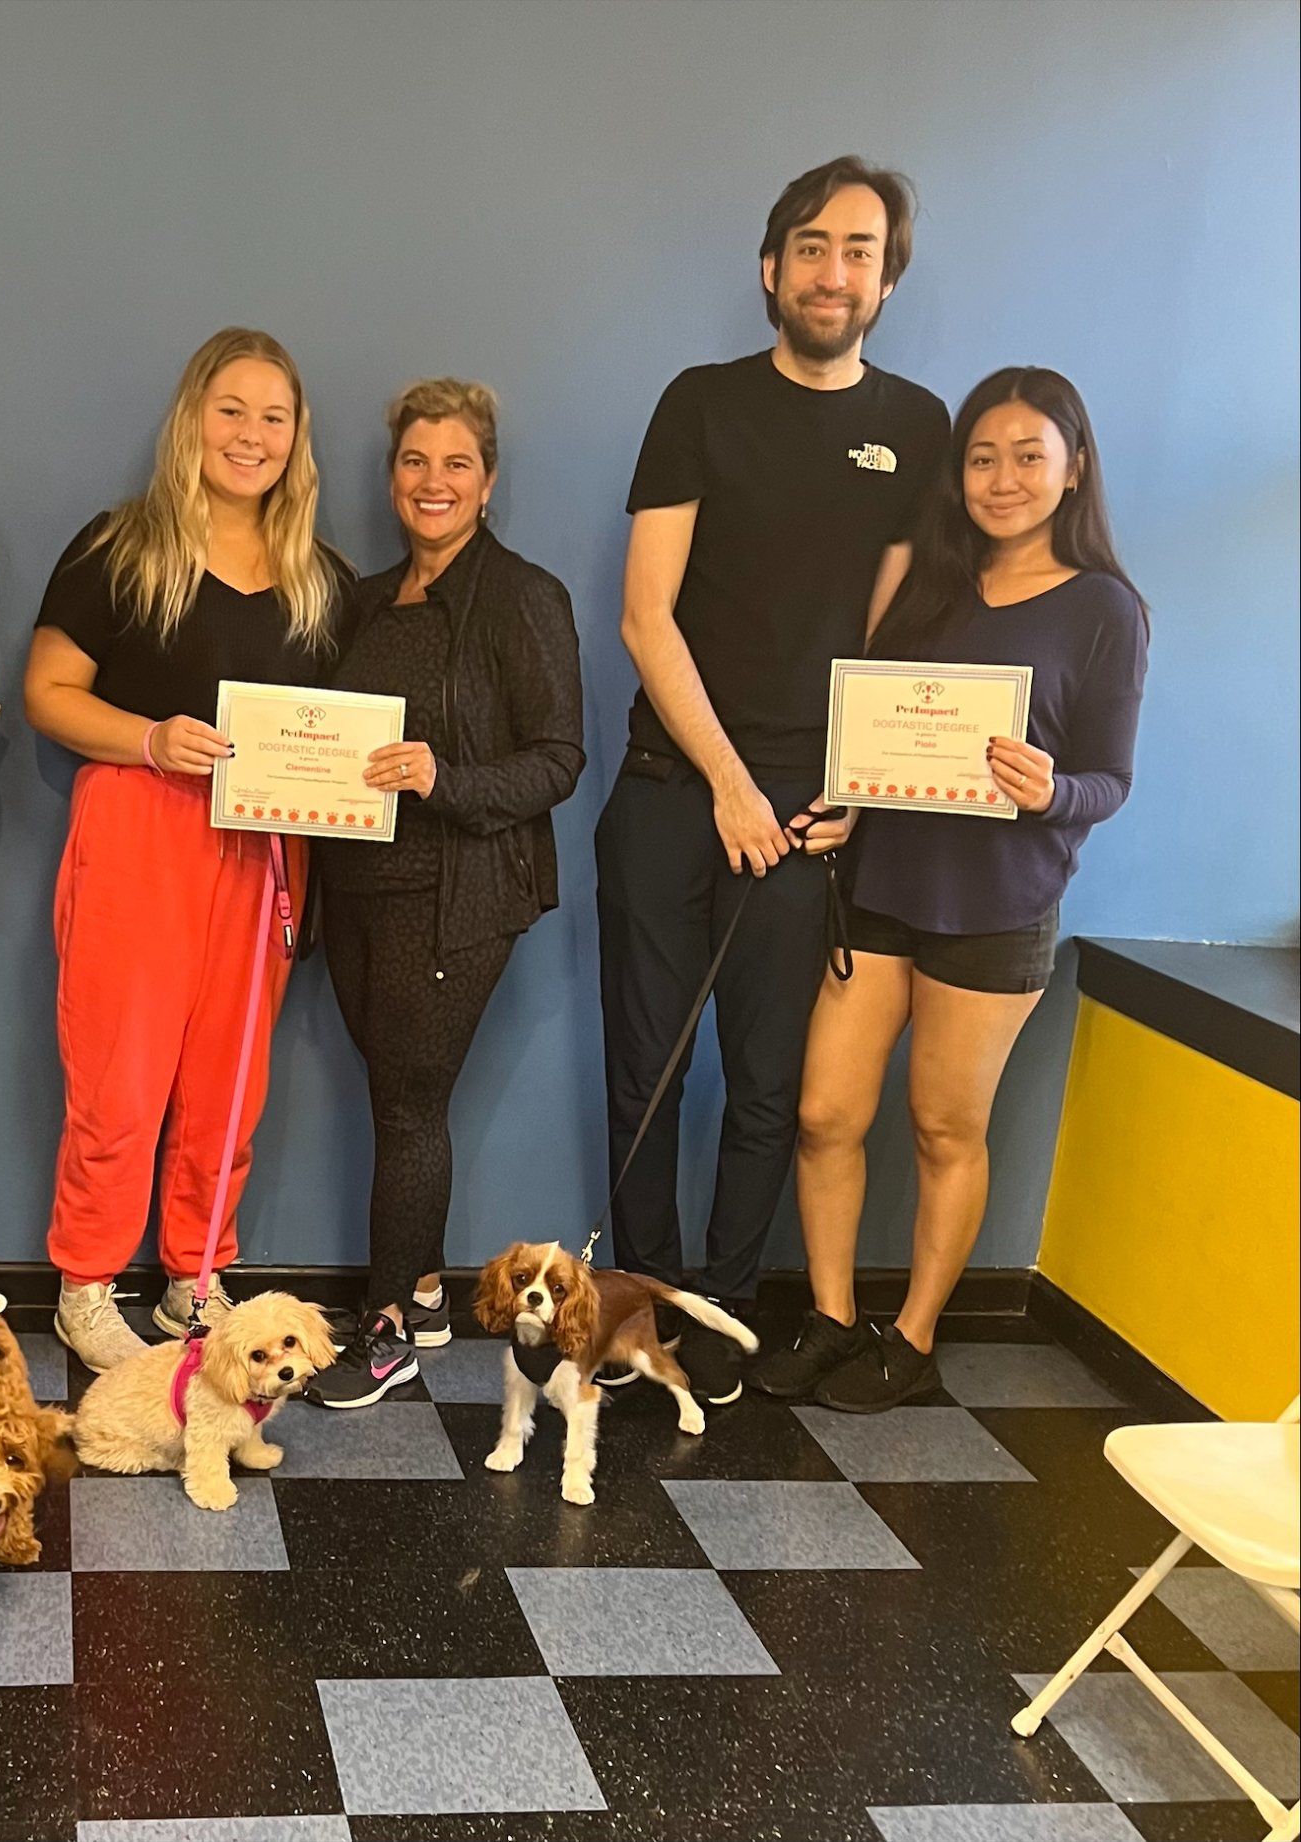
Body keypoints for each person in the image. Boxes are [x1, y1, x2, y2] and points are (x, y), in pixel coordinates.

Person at [597, 156, 950, 1404]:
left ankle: (727, 1314)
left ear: (888, 281)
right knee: (647, 1069)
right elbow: (648, 618)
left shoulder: (916, 427)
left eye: (859, 250)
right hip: (669, 789)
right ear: (770, 267)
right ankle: (639, 1308)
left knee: (767, 1085)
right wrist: (729, 788)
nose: (832, 269)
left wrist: (854, 786)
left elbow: (895, 638)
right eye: (810, 246)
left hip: (811, 820)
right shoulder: (699, 402)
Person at [754, 368, 1148, 1411]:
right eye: (982, 457)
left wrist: (1053, 789)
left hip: (1000, 913)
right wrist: (849, 807)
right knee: (827, 1113)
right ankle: (834, 1317)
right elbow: (880, 742)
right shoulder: (928, 586)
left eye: (1028, 456)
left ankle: (915, 1334)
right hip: (881, 893)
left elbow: (1111, 779)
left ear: (1073, 471)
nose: (1003, 478)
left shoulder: (1106, 610)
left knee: (942, 1129)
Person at [23, 327, 345, 1372]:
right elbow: (46, 694)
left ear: (298, 441)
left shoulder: (318, 578)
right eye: (232, 410)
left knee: (230, 1080)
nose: (251, 436)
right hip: (139, 829)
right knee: (119, 1077)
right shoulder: (120, 547)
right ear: (191, 419)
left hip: (264, 853)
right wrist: (155, 739)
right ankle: (85, 1281)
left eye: (274, 418)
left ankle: (194, 1273)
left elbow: (340, 733)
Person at [304, 381, 584, 1410]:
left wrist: (443, 779)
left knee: (411, 1105)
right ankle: (422, 1290)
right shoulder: (363, 599)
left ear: (489, 479)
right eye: (415, 462)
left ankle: (385, 1335)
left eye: (456, 463)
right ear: (391, 480)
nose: (433, 482)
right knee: (394, 1099)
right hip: (360, 892)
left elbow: (560, 759)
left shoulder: (522, 597)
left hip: (458, 898)